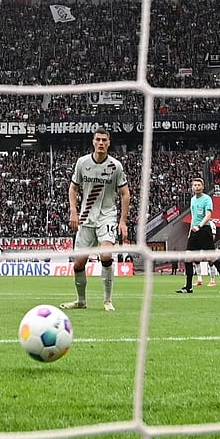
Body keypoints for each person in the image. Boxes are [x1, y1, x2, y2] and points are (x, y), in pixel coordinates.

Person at [62, 128, 130, 311]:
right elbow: (73, 188)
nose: (101, 143)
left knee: (106, 255)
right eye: (98, 140)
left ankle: (107, 300)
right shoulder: (82, 163)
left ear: (109, 143)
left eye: (104, 140)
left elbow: (125, 193)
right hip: (85, 216)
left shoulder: (116, 166)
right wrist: (73, 211)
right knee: (78, 263)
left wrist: (122, 221)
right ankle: (81, 301)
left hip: (107, 215)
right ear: (93, 142)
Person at [176, 177, 220, 294]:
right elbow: (193, 217)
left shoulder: (207, 199)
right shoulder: (192, 200)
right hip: (194, 232)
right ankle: (189, 287)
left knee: (213, 259)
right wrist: (191, 231)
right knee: (188, 258)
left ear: (203, 186)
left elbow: (208, 215)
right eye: (194, 185)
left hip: (204, 230)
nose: (196, 187)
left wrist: (199, 226)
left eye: (198, 185)